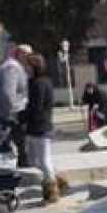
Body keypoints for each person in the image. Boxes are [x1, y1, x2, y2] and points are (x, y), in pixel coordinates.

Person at [19, 53, 67, 204]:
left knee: (44, 160)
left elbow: (36, 107)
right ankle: (57, 179)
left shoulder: (40, 83)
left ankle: (52, 190)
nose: (25, 68)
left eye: (27, 65)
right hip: (34, 127)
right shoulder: (34, 82)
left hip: (41, 127)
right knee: (34, 160)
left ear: (34, 67)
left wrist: (21, 116)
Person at [0, 43, 32, 167]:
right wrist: (12, 113)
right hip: (12, 114)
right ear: (19, 54)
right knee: (18, 145)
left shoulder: (16, 67)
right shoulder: (12, 68)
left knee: (20, 145)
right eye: (27, 55)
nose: (29, 58)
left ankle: (20, 169)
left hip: (13, 113)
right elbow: (8, 93)